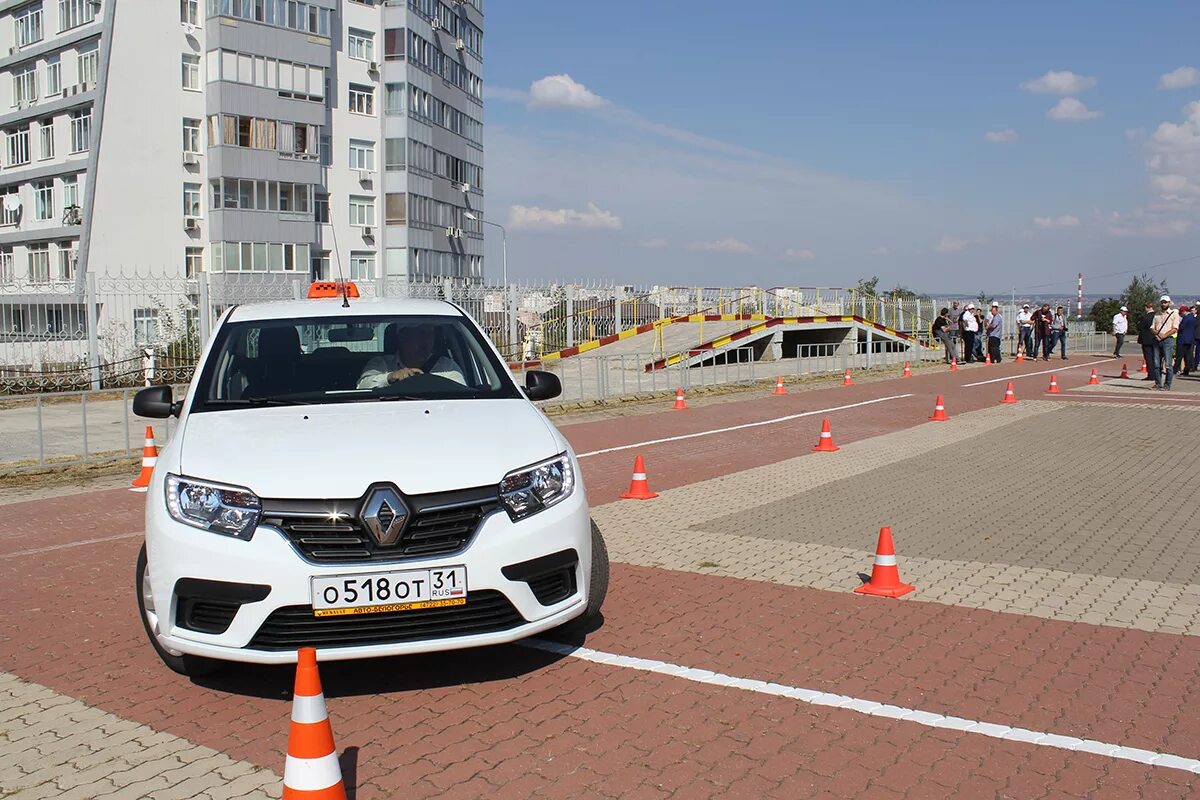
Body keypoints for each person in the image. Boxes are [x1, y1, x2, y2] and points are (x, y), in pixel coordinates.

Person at [357, 321, 466, 389]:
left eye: (430, 335)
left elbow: (462, 394)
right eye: (420, 335)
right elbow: (362, 387)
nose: (426, 341)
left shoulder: (447, 367)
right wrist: (390, 378)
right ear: (402, 337)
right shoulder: (382, 364)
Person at [1151, 295, 1180, 390]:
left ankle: (1167, 384)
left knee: (1168, 364)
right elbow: (1152, 327)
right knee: (1156, 363)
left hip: (1168, 340)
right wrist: (1157, 334)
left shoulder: (1173, 314)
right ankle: (1158, 382)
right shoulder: (1157, 314)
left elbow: (1175, 328)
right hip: (1157, 339)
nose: (1164, 304)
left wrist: (1164, 335)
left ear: (1169, 303)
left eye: (1165, 302)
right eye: (1162, 302)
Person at [1137, 303, 1158, 382]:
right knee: (1155, 357)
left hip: (1146, 339)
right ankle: (1156, 374)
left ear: (1147, 308)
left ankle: (1151, 375)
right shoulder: (1156, 316)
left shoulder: (1145, 317)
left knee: (1148, 357)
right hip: (1155, 338)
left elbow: (1140, 327)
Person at [1174, 306, 1196, 376]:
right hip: (1190, 339)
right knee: (1187, 356)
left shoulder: (1186, 318)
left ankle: (1175, 369)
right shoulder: (1193, 318)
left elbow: (1181, 327)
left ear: (1184, 311)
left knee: (1179, 356)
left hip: (1183, 339)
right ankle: (1186, 370)